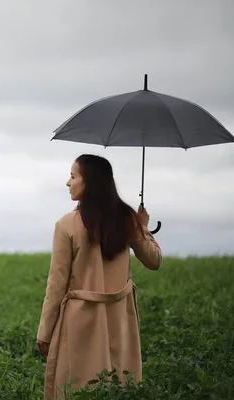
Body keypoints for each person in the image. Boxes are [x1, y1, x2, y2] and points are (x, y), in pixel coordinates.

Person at [36, 154, 162, 400]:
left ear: (89, 182)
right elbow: (154, 260)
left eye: (73, 176)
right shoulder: (127, 219)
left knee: (77, 389)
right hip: (120, 319)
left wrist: (45, 332)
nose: (67, 182)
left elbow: (56, 284)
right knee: (119, 387)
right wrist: (142, 228)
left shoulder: (67, 225)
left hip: (79, 320)